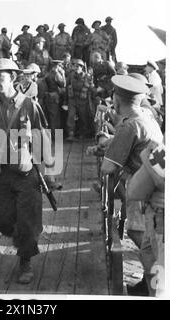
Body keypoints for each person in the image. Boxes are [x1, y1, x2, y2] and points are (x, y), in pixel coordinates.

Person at [0, 58, 52, 284]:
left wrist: (48, 174)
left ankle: (25, 261)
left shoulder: (30, 105)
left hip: (26, 173)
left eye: (1, 76)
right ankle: (24, 236)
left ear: (13, 78)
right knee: (1, 218)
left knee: (26, 221)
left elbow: (43, 139)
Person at [100, 74, 163, 296]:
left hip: (142, 190)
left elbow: (107, 168)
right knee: (148, 246)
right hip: (157, 188)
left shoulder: (129, 126)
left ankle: (154, 286)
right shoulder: (147, 117)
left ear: (117, 100)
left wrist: (107, 147)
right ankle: (148, 285)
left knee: (142, 236)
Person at [126, 142, 165, 297]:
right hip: (153, 217)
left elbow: (162, 181)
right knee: (149, 263)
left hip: (161, 223)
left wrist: (146, 158)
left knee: (161, 283)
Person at [65, 59, 94, 141]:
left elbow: (91, 88)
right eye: (75, 65)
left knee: (83, 117)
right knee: (71, 116)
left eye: (78, 66)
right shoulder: (70, 76)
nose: (76, 67)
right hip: (72, 99)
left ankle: (83, 133)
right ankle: (71, 134)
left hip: (82, 100)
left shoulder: (87, 77)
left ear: (82, 67)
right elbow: (66, 88)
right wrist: (65, 101)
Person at [43, 60, 66, 137]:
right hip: (54, 97)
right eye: (59, 66)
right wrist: (63, 74)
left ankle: (51, 134)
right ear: (56, 66)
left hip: (48, 96)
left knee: (50, 116)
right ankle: (54, 136)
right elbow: (63, 84)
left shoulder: (48, 73)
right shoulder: (56, 74)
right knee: (55, 117)